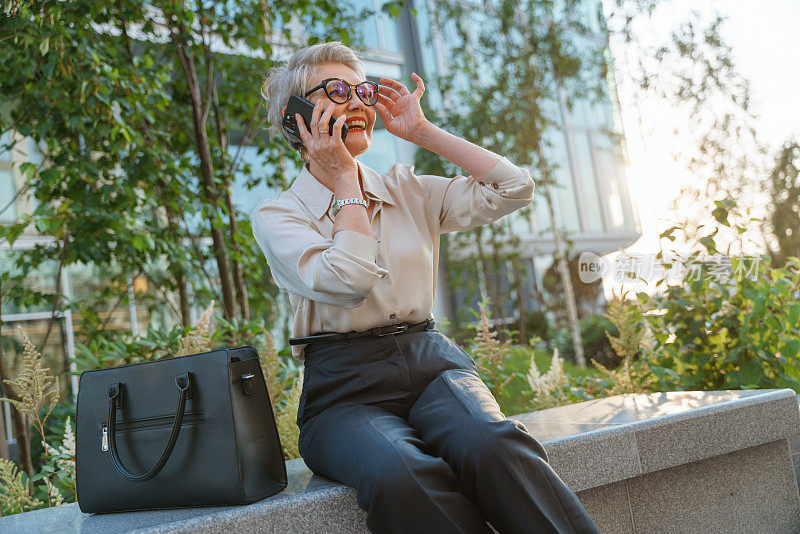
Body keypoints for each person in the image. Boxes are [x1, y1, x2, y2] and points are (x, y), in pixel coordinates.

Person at [253, 41, 600, 534]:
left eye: (363, 91)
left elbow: (514, 188)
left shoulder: (407, 187)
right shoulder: (279, 215)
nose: (357, 101)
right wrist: (345, 179)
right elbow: (347, 279)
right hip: (342, 390)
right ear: (298, 118)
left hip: (431, 362)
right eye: (336, 90)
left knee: (494, 443)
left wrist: (422, 132)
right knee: (400, 473)